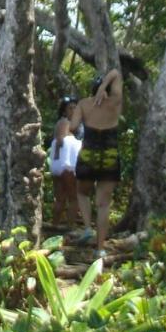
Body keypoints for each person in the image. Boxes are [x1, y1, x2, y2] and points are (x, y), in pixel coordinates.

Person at [70, 68, 122, 256]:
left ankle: (87, 228)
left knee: (82, 193)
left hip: (89, 154)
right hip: (110, 155)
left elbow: (74, 127)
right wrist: (105, 86)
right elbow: (116, 72)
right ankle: (100, 249)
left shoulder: (83, 104)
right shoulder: (115, 103)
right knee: (103, 204)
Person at [47, 96, 82, 227]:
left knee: (61, 197)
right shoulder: (64, 122)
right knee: (74, 197)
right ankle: (69, 227)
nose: (73, 110)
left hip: (59, 164)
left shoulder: (71, 126)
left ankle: (54, 225)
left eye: (75, 108)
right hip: (67, 165)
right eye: (70, 108)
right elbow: (60, 139)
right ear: (64, 111)